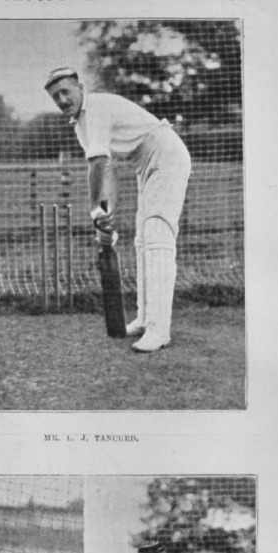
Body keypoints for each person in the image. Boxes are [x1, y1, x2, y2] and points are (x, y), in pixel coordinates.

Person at [44, 66, 192, 354]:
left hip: (166, 154)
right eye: (55, 97)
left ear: (80, 89)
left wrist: (94, 209)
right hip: (145, 163)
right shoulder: (81, 125)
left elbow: (98, 164)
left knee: (157, 239)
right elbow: (108, 168)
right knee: (142, 241)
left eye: (65, 92)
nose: (61, 100)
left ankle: (159, 330)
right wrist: (105, 216)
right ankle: (145, 319)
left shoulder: (97, 108)